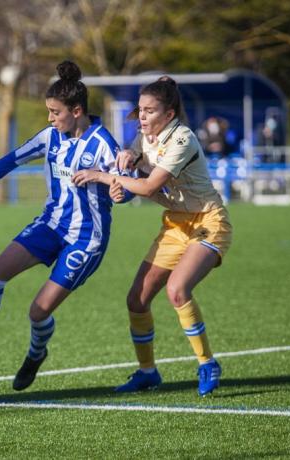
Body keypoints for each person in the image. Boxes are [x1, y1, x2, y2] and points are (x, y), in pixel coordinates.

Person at [0, 61, 131, 391]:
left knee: (37, 313)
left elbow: (127, 189)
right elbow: (10, 160)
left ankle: (35, 354)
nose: (49, 118)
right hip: (50, 224)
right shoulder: (50, 137)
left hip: (87, 239)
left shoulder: (104, 144)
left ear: (77, 110)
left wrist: (119, 189)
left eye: (55, 112)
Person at [72, 76, 232, 396]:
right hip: (175, 224)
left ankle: (207, 363)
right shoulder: (144, 137)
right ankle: (147, 372)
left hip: (208, 222)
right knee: (137, 299)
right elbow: (134, 178)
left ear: (169, 114)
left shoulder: (182, 139)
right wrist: (123, 178)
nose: (142, 117)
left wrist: (104, 177)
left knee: (177, 289)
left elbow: (147, 186)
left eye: (149, 111)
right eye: (140, 110)